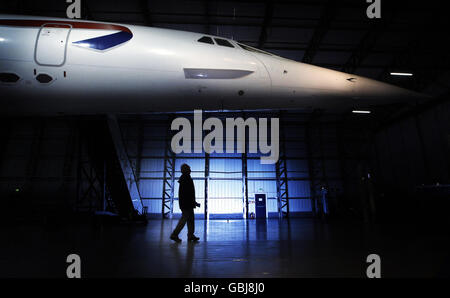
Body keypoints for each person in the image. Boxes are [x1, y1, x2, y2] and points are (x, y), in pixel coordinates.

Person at [170, 164, 200, 242]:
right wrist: (194, 202)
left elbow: (188, 193)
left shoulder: (185, 178)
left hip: (187, 203)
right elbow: (188, 193)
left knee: (190, 219)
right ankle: (175, 234)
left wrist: (194, 202)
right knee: (184, 219)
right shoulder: (186, 178)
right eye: (189, 168)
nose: (190, 170)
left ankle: (190, 235)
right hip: (187, 204)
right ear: (186, 170)